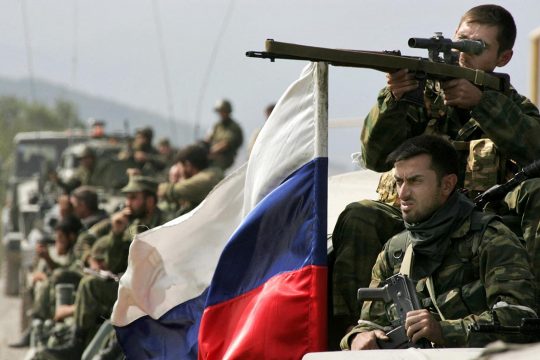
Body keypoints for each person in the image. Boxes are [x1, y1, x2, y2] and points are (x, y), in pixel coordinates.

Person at [332, 4, 540, 333]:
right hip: (417, 217)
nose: (462, 54)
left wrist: (482, 103)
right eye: (459, 41)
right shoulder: (422, 99)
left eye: (477, 48)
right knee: (359, 215)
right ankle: (353, 333)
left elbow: (535, 149)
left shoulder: (512, 106)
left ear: (504, 58)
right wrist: (396, 99)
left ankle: (528, 316)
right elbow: (374, 157)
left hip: (482, 218)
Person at [340, 135, 536, 350]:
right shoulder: (395, 251)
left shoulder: (490, 239)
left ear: (447, 185)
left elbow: (521, 320)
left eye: (415, 181)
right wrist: (356, 338)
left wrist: (444, 331)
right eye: (399, 181)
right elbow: (368, 324)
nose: (403, 193)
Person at [36, 176, 167, 359]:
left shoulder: (165, 223)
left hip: (153, 289)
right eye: (127, 197)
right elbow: (113, 261)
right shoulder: (132, 224)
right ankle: (76, 341)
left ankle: (86, 344)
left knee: (90, 285)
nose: (128, 203)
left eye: (133, 197)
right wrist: (115, 234)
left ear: (150, 200)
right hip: (129, 284)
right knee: (90, 282)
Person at [158, 144, 224, 216]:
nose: (180, 172)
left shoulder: (209, 178)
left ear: (188, 165)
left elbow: (172, 190)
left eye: (180, 168)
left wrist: (164, 188)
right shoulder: (213, 173)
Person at [205, 99, 244, 170]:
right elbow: (208, 138)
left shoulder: (233, 127)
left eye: (222, 111)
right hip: (212, 155)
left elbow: (226, 144)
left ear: (228, 111)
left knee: (212, 169)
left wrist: (210, 151)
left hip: (225, 157)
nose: (220, 114)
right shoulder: (217, 125)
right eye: (219, 111)